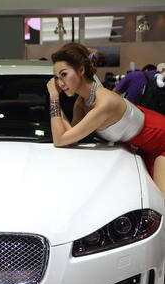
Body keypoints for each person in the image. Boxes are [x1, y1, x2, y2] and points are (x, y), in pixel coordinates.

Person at [46, 42, 165, 197]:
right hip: (142, 146)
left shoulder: (104, 104)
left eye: (64, 74)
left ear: (81, 70)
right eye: (56, 77)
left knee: (160, 205)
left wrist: (54, 98)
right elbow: (70, 137)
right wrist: (57, 104)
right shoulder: (82, 101)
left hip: (160, 140)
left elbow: (60, 139)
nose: (60, 83)